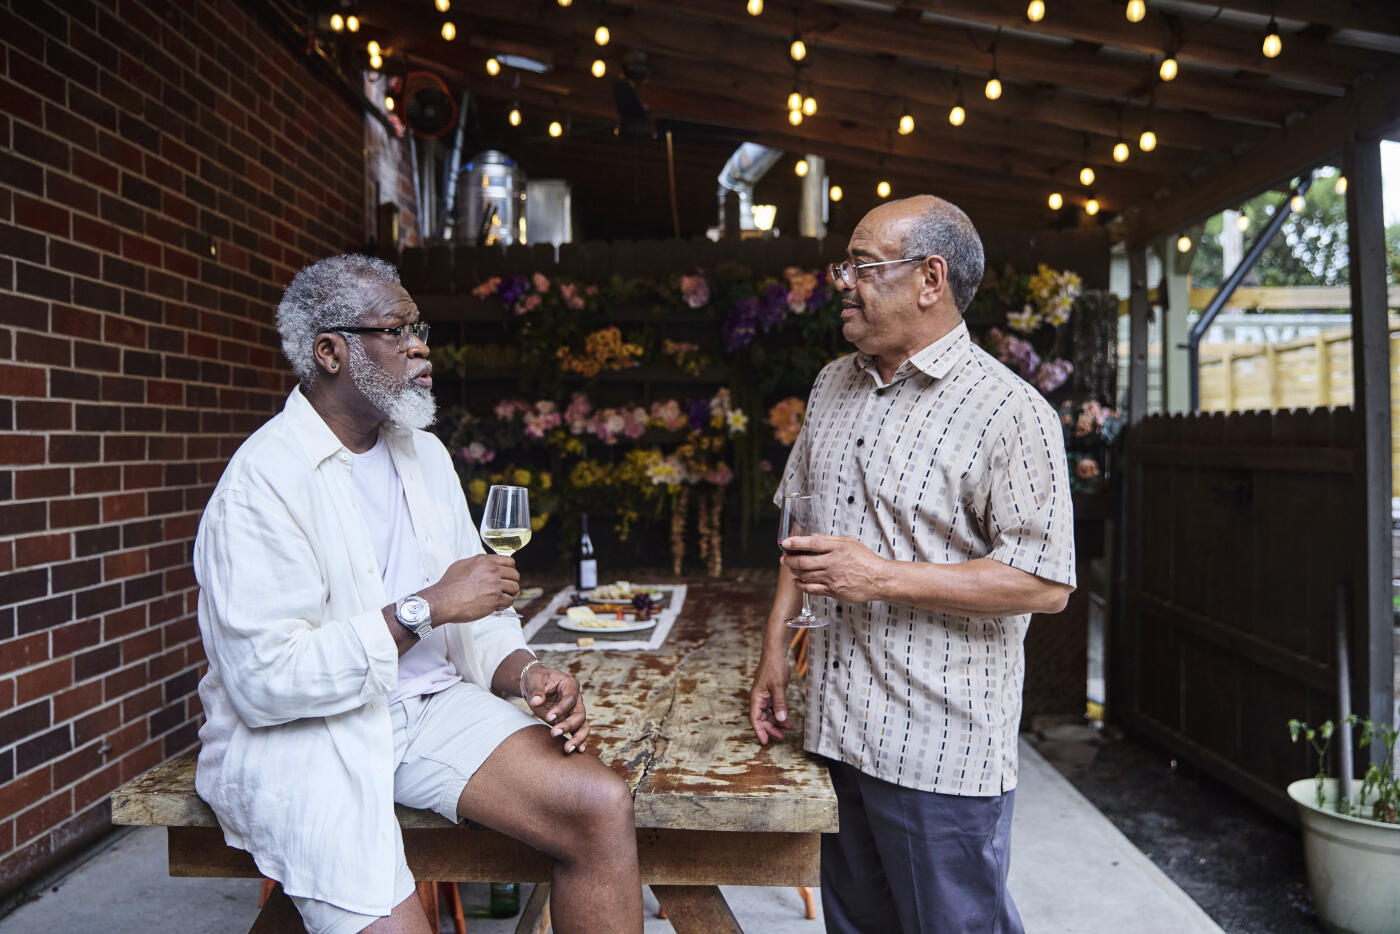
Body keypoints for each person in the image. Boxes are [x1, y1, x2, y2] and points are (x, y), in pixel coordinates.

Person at [193, 255, 642, 934]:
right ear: (331, 352)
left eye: (420, 328)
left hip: (429, 709)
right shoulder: (262, 483)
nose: (421, 346)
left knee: (598, 804)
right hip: (309, 737)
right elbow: (267, 681)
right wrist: (423, 608)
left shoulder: (423, 455)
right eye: (397, 331)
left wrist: (526, 672)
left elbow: (476, 614)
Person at [749, 196, 1076, 934]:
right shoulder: (833, 383)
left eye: (864, 265)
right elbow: (800, 525)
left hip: (941, 748)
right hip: (836, 727)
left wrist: (883, 577)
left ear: (931, 279)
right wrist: (774, 644)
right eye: (847, 265)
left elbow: (1047, 584)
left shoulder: (1011, 412)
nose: (844, 281)